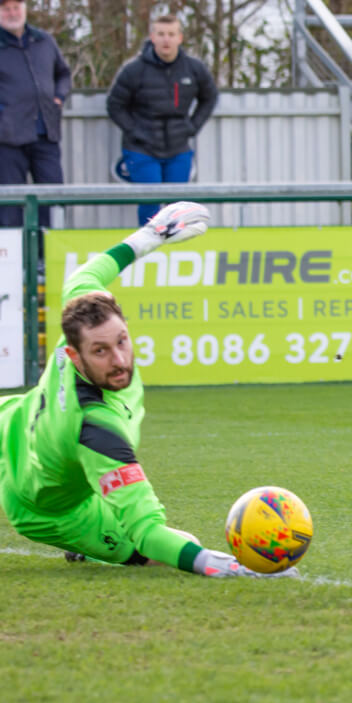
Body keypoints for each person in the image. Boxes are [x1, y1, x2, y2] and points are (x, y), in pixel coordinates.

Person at [0, 202, 292, 577]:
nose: (119, 360)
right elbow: (148, 533)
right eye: (100, 351)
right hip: (47, 509)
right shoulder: (96, 430)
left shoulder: (84, 316)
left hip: (12, 423)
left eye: (122, 341)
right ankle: (89, 548)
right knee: (169, 547)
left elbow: (86, 275)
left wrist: (151, 235)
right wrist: (237, 568)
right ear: (73, 355)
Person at [105, 14, 218, 226]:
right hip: (141, 149)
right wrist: (134, 131)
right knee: (150, 203)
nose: (166, 39)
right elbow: (114, 105)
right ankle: (147, 252)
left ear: (180, 38)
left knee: (177, 206)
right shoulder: (134, 70)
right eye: (161, 34)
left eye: (171, 34)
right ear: (152, 37)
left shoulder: (194, 68)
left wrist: (192, 127)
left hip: (178, 148)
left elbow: (210, 97)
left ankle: (173, 254)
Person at [0, 0, 71, 229]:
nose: (12, 12)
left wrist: (59, 97)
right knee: (10, 202)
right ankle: (12, 261)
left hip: (45, 135)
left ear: (24, 9)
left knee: (51, 198)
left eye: (16, 7)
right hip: (8, 139)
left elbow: (63, 73)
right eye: (6, 8)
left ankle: (47, 258)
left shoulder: (44, 41)